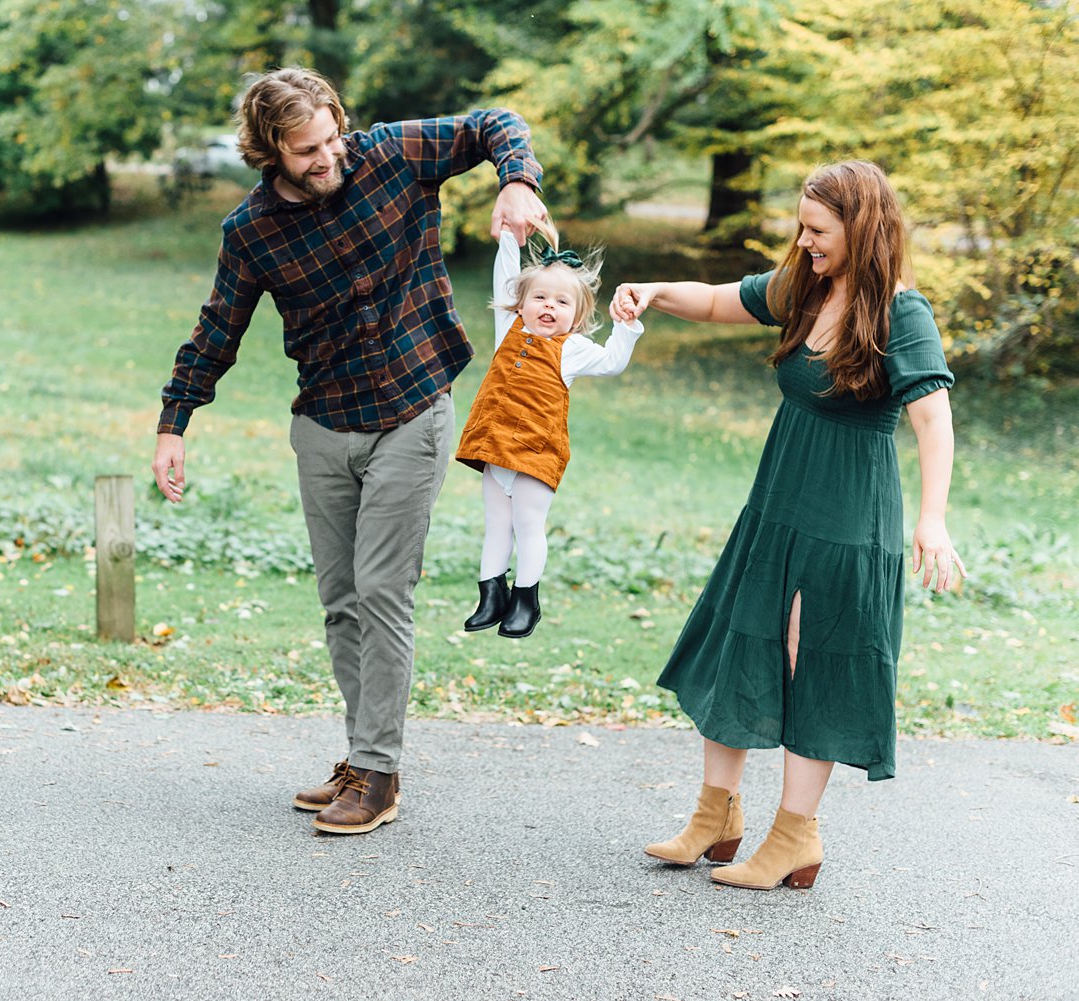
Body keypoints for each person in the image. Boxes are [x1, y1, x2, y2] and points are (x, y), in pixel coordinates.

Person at [151, 67, 550, 836]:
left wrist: (517, 180)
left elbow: (494, 119)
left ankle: (379, 772)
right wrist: (176, 421)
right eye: (307, 149)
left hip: (412, 410)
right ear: (271, 151)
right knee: (341, 602)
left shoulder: (392, 154)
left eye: (332, 136)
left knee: (382, 590)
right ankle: (361, 758)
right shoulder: (253, 231)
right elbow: (216, 331)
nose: (328, 155)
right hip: (326, 426)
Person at [609, 160, 965, 890]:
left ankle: (795, 836)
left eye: (817, 230)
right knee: (743, 634)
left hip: (846, 519)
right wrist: (654, 292)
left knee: (815, 659)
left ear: (862, 230)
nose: (803, 241)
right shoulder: (805, 287)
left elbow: (933, 415)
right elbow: (716, 303)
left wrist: (933, 519)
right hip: (777, 504)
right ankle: (716, 814)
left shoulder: (903, 313)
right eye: (801, 227)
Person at [455, 226, 643, 638]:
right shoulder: (510, 328)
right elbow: (504, 273)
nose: (548, 307)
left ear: (575, 316)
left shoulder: (571, 348)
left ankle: (525, 600)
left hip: (537, 452)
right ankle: (491, 594)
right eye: (539, 297)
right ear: (520, 304)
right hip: (494, 444)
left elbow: (612, 362)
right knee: (496, 524)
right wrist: (509, 236)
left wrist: (626, 327)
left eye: (561, 302)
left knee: (527, 524)